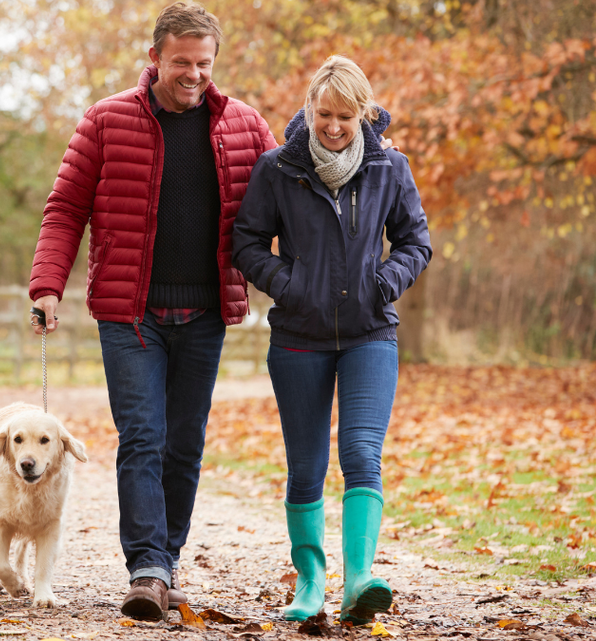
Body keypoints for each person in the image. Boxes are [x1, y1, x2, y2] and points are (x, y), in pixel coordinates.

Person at [27, 2, 276, 621]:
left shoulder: (244, 127)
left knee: (184, 444)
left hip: (206, 316)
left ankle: (164, 561)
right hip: (129, 314)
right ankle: (146, 566)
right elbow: (65, 209)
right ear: (155, 57)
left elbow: (291, 190)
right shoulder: (106, 121)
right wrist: (47, 285)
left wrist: (368, 142)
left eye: (204, 64)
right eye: (181, 62)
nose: (193, 74)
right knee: (142, 436)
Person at [231, 55, 432, 624]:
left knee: (363, 454)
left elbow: (416, 242)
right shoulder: (278, 169)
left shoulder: (390, 168)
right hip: (299, 337)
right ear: (310, 110)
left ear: (364, 113)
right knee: (306, 465)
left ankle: (360, 578)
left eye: (346, 116)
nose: (334, 126)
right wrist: (288, 286)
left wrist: (383, 282)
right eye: (324, 114)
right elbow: (246, 244)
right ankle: (312, 581)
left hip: (371, 333)